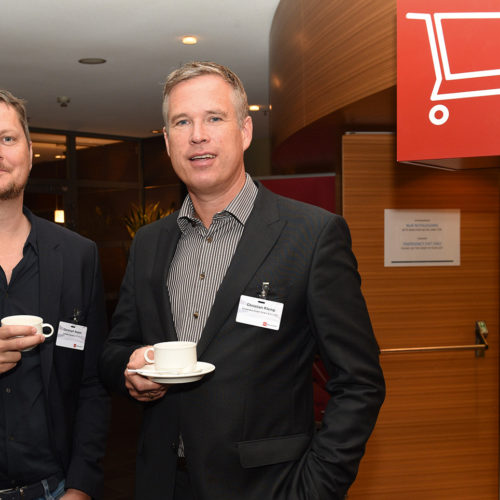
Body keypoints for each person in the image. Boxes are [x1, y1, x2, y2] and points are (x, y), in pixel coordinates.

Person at [99, 61, 385, 500]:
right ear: (168, 140)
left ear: (245, 131)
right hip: (162, 482)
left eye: (214, 118)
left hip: (267, 487)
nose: (198, 135)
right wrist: (128, 369)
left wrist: (313, 490)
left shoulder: (311, 235)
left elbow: (359, 383)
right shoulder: (149, 243)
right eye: (182, 122)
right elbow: (116, 348)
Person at [0, 90, 109, 499]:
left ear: (30, 152)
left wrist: (80, 486)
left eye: (7, 139)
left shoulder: (79, 256)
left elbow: (92, 384)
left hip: (53, 488)